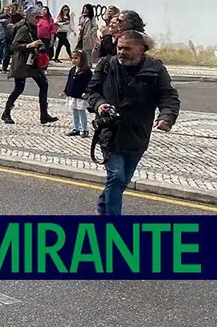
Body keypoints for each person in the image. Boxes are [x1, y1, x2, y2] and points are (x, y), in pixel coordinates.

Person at [87, 30, 179, 216]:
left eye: (127, 49)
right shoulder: (106, 65)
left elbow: (168, 97)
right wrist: (99, 104)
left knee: (122, 179)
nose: (121, 52)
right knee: (116, 176)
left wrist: (166, 117)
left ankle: (103, 207)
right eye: (119, 48)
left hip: (138, 133)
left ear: (141, 50)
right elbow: (92, 91)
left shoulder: (155, 69)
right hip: (110, 133)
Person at [1, 6, 58, 125]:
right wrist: (29, 45)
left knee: (44, 84)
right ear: (30, 16)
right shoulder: (23, 28)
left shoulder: (32, 27)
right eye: (36, 17)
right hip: (22, 61)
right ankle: (6, 113)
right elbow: (15, 46)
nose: (38, 20)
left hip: (32, 61)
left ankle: (44, 115)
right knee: (19, 88)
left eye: (40, 18)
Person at [61, 50, 92, 138]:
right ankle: (76, 128)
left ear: (82, 59)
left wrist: (86, 92)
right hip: (73, 94)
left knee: (81, 111)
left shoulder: (86, 71)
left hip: (80, 96)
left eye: (76, 58)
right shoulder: (72, 70)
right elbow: (69, 82)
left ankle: (84, 129)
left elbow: (89, 84)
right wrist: (66, 91)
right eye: (72, 58)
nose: (73, 60)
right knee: (74, 111)